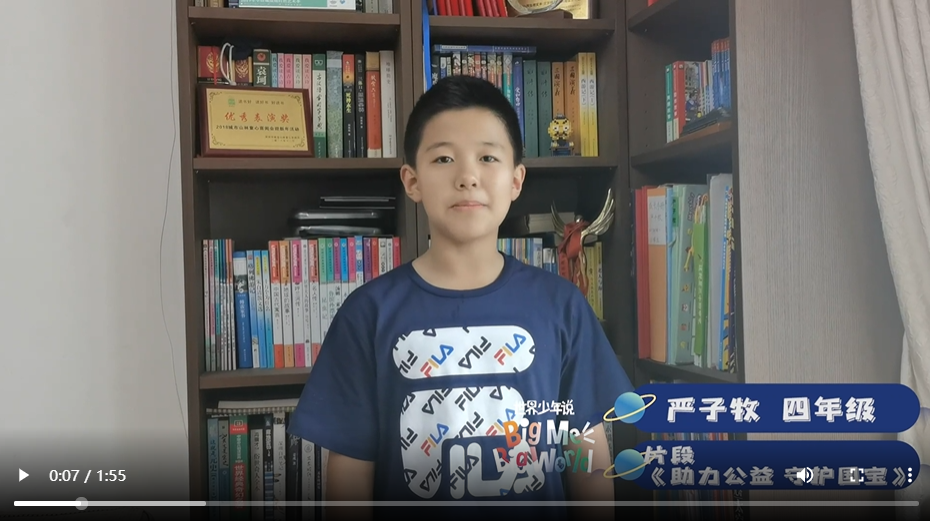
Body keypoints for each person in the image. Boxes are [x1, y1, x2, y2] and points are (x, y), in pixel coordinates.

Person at [287, 74, 633, 520]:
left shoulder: (562, 306)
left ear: (516, 180)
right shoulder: (368, 313)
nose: (467, 177)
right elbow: (350, 476)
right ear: (412, 181)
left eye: (488, 157)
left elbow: (587, 457)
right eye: (444, 158)